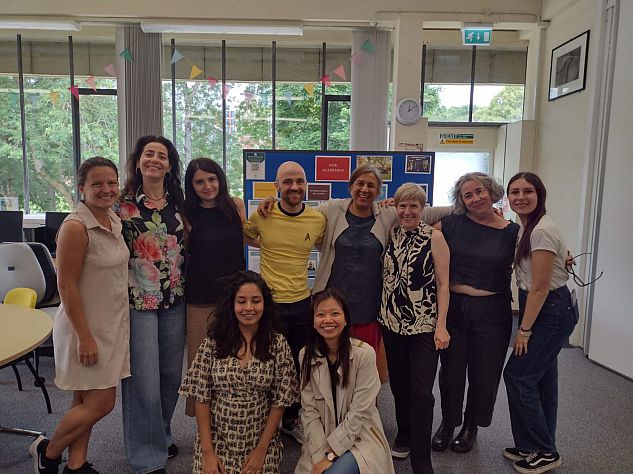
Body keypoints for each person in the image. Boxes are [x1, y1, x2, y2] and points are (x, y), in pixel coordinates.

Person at [258, 165, 451, 356]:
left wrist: (465, 206)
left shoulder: (387, 213)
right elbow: (297, 209)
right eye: (360, 183)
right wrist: (273, 200)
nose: (365, 189)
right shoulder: (332, 209)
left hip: (369, 308)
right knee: (327, 364)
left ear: (378, 191)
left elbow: (430, 213)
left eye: (371, 185)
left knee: (363, 366)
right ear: (351, 187)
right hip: (330, 307)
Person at [29, 157, 129, 474]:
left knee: (84, 402)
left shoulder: (113, 221)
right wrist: (85, 337)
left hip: (109, 324)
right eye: (97, 184)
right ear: (82, 187)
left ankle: (77, 465)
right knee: (102, 404)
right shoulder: (76, 227)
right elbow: (66, 286)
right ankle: (47, 451)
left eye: (111, 182)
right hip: (84, 329)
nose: (106, 189)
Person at [431, 172, 520, 454]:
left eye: (479, 191)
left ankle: (471, 426)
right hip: (454, 308)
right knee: (452, 372)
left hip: (493, 311)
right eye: (467, 195)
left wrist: (562, 256)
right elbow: (413, 221)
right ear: (461, 201)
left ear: (491, 191)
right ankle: (448, 422)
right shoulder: (450, 224)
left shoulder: (512, 232)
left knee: (485, 373)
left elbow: (538, 253)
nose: (475, 198)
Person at [179, 270, 299, 474]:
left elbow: (281, 400)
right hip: (217, 442)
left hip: (259, 442)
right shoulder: (213, 343)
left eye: (256, 301)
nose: (249, 308)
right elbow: (201, 397)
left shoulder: (277, 343)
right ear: (231, 305)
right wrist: (208, 453)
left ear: (265, 304)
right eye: (241, 301)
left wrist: (261, 451)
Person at [243, 161, 326, 444]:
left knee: (298, 364)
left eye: (299, 181)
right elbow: (246, 234)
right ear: (277, 186)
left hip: (303, 303)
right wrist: (263, 243)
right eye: (287, 182)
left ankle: (291, 419)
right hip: (271, 305)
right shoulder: (263, 214)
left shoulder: (317, 220)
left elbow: (328, 241)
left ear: (306, 185)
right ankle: (264, 420)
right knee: (268, 364)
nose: (294, 187)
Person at [118, 135, 186, 474]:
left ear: (169, 165)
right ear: (139, 161)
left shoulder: (179, 202)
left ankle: (160, 432)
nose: (155, 160)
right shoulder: (121, 203)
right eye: (149, 154)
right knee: (144, 379)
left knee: (171, 376)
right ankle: (146, 457)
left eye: (162, 155)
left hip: (175, 299)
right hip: (138, 301)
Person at [502, 172, 578, 474]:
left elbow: (540, 288)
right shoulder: (528, 227)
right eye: (514, 192)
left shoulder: (541, 230)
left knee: (519, 377)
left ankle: (545, 450)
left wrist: (523, 330)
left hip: (549, 311)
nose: (520, 197)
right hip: (545, 307)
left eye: (527, 191)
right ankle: (531, 445)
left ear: (539, 194)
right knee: (542, 378)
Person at [379, 183, 450, 471]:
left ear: (423, 209)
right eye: (402, 206)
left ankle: (422, 460)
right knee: (399, 385)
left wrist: (441, 326)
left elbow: (444, 285)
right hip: (391, 323)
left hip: (423, 326)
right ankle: (404, 433)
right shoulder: (391, 233)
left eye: (414, 206)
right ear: (396, 208)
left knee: (422, 392)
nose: (407, 211)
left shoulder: (435, 237)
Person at [296, 289, 395, 474]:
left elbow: (359, 412)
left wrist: (331, 454)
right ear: (313, 321)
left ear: (346, 319)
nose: (328, 320)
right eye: (320, 314)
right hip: (322, 439)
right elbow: (309, 412)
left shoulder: (364, 354)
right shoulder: (306, 355)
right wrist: (320, 454)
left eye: (335, 313)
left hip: (360, 437)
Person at [183, 157, 246, 417]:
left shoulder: (235, 206)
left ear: (220, 179)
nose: (207, 185)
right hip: (200, 298)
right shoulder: (186, 213)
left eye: (212, 179)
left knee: (235, 360)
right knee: (201, 363)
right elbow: (183, 252)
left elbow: (250, 236)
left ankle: (233, 418)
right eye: (199, 181)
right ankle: (203, 425)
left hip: (235, 298)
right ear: (192, 185)